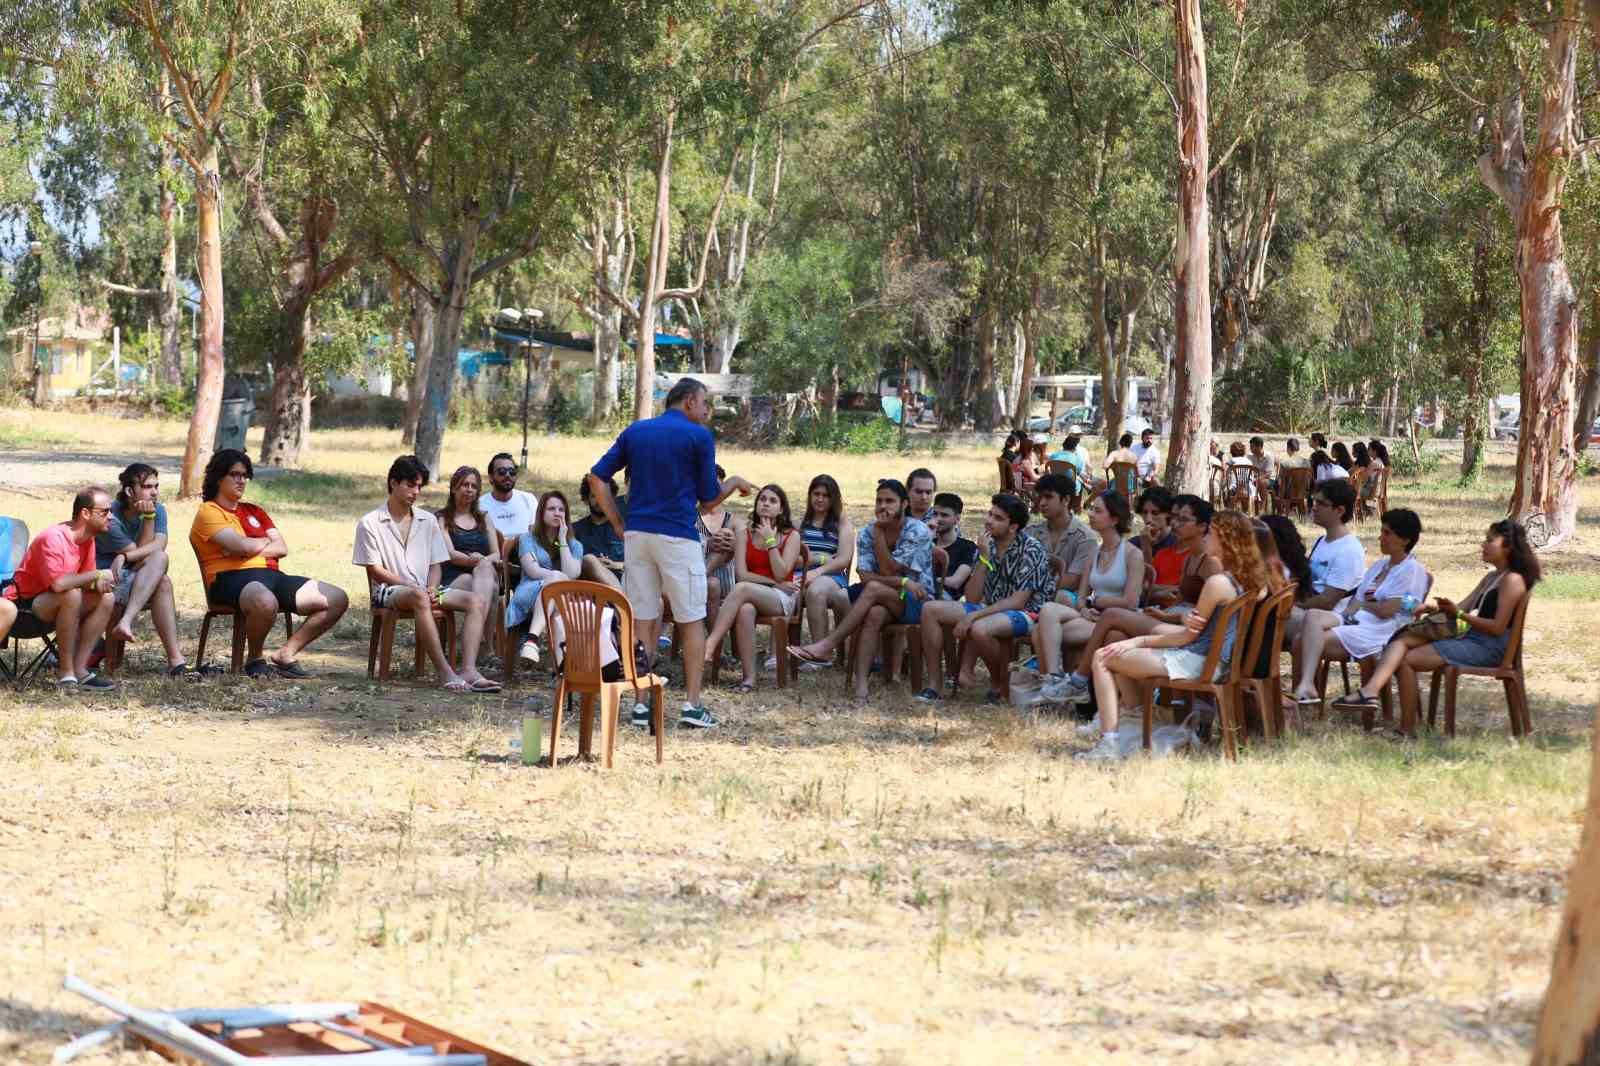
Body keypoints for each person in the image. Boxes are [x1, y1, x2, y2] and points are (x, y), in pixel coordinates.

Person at [587, 377, 755, 730]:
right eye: (705, 403)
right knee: (691, 619)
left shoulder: (636, 431)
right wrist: (735, 481)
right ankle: (692, 706)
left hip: (637, 536)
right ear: (691, 401)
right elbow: (709, 500)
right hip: (677, 537)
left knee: (643, 618)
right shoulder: (698, 437)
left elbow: (597, 478)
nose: (706, 411)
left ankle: (640, 705)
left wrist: (617, 521)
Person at [1081, 510, 1280, 760]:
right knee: (1120, 655)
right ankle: (1137, 720)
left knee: (1103, 656)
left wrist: (1138, 640)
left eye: (1211, 534)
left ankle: (1108, 743)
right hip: (1220, 661)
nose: (1205, 538)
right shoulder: (1254, 582)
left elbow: (1186, 638)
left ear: (1225, 540)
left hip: (1199, 661)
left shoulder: (1217, 583)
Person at [1335, 519, 1540, 730]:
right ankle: (1378, 699)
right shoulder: (1491, 577)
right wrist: (1429, 608)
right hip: (1473, 639)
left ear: (1508, 546)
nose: (1483, 545)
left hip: (1490, 647)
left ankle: (1391, 713)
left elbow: (1497, 627)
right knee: (1403, 648)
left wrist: (1458, 614)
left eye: (1490, 540)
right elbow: (1463, 607)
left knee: (1404, 655)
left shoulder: (1512, 580)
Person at [1036, 494, 1222, 707]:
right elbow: (1179, 599)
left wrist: (1096, 602)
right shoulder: (1191, 559)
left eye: (1183, 520)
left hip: (1190, 631)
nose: (1176, 524)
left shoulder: (1209, 563)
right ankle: (1111, 706)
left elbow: (1208, 612)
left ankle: (1080, 682)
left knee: (1112, 617)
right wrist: (1165, 614)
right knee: (1057, 614)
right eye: (1176, 518)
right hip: (1172, 620)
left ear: (1202, 527)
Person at [191, 449, 348, 677]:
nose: (241, 480)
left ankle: (285, 654)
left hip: (272, 576)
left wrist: (246, 546)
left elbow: (281, 548)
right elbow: (240, 547)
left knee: (336, 598)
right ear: (218, 477)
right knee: (264, 600)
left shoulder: (255, 511)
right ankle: (255, 658)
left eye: (245, 475)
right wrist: (255, 545)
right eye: (234, 474)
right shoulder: (209, 511)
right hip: (228, 578)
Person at [354, 455, 495, 692]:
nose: (416, 491)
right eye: (410, 485)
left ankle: (469, 669)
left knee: (476, 600)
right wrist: (410, 585)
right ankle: (444, 672)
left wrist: (431, 586)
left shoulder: (427, 520)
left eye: (419, 486)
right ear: (393, 483)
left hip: (424, 589)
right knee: (419, 597)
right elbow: (374, 569)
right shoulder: (370, 522)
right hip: (387, 591)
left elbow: (435, 564)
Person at [789, 478, 935, 699]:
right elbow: (865, 576)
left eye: (890, 501)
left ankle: (827, 645)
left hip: (919, 600)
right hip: (886, 597)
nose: (883, 506)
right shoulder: (868, 531)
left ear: (904, 504)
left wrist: (880, 539)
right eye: (879, 501)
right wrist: (901, 582)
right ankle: (861, 688)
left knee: (875, 589)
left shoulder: (916, 531)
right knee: (874, 614)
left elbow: (890, 570)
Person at [914, 493, 1054, 701]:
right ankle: (935, 686)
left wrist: (972, 617)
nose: (989, 521)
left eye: (998, 518)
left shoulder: (1030, 549)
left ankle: (1000, 684)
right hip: (991, 607)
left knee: (980, 628)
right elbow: (972, 597)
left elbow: (1018, 601)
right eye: (990, 514)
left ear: (1013, 527)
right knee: (930, 609)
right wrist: (984, 558)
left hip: (1029, 613)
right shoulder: (986, 546)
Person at [1291, 508, 1427, 706]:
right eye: (1382, 532)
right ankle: (1307, 685)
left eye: (1387, 533)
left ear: (1405, 540)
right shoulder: (1379, 566)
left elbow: (1387, 610)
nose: (1381, 538)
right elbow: (1358, 601)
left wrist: (1362, 606)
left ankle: (1307, 688)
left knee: (1301, 641)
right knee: (1312, 616)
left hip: (1381, 629)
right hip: (1357, 620)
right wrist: (1351, 612)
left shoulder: (1412, 571)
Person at [5, 487, 118, 688]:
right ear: (85, 513)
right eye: (105, 512)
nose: (111, 517)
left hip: (57, 607)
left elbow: (84, 581)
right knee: (71, 594)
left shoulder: (87, 539)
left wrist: (97, 583)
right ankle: (66, 673)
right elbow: (59, 584)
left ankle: (81, 669)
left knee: (106, 597)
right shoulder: (53, 538)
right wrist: (97, 574)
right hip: (23, 609)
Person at [1030, 491, 1145, 688]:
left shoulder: (1132, 554)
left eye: (1098, 511)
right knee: (1049, 608)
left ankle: (1056, 686)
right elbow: (1082, 595)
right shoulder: (1095, 551)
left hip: (1116, 621)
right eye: (1091, 509)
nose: (1090, 514)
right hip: (1091, 616)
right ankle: (1054, 677)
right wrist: (1084, 608)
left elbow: (1131, 601)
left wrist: (1096, 602)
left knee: (1039, 632)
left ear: (1114, 519)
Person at [701, 484, 804, 692]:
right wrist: (775, 583)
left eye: (773, 500)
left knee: (742, 590)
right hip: (760, 591)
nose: (766, 503)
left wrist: (770, 541)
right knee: (745, 609)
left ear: (781, 509)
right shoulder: (745, 534)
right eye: (762, 499)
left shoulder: (791, 536)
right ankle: (749, 679)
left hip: (782, 597)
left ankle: (710, 643)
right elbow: (742, 574)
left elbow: (781, 573)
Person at [97, 462, 188, 675]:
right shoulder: (110, 516)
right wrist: (148, 520)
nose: (155, 492)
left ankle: (174, 660)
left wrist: (124, 555)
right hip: (108, 579)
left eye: (156, 486)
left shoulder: (159, 509)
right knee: (162, 579)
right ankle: (175, 660)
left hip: (136, 574)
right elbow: (142, 557)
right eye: (148, 487)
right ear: (130, 491)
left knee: (161, 565)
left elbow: (159, 545)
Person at [504, 490, 585, 666]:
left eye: (561, 510)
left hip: (560, 599)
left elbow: (573, 574)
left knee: (557, 614)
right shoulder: (527, 538)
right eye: (551, 509)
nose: (557, 513)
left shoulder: (575, 545)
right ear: (541, 512)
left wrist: (563, 539)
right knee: (557, 588)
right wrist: (558, 578)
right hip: (529, 592)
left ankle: (560, 669)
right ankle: (534, 639)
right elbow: (533, 571)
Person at [436, 466, 503, 661]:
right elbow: (450, 554)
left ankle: (479, 643)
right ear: (454, 488)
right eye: (464, 485)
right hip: (450, 578)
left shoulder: (484, 518)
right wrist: (473, 560)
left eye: (474, 486)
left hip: (480, 574)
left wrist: (480, 561)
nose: (469, 489)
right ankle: (484, 648)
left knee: (485, 573)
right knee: (491, 587)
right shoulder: (443, 518)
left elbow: (496, 553)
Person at [797, 474, 855, 645]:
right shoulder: (800, 524)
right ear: (810, 496)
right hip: (800, 574)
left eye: (826, 495)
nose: (820, 499)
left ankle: (821, 653)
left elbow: (843, 560)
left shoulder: (842, 524)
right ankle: (778, 653)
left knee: (816, 590)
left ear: (834, 498)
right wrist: (823, 558)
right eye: (816, 494)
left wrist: (816, 570)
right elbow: (794, 559)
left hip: (833, 577)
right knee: (784, 590)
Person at [1029, 473, 1094, 606]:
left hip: (1068, 602)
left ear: (1066, 500)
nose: (1042, 503)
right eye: (1040, 497)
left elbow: (1073, 581)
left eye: (1048, 497)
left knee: (1062, 596)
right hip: (1030, 597)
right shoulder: (1031, 532)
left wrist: (1029, 583)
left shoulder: (1085, 538)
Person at [698, 465, 738, 632]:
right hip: (696, 575)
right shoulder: (689, 518)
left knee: (726, 535)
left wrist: (733, 546)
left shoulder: (733, 520)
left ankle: (699, 578)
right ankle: (714, 651)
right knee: (711, 584)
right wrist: (709, 544)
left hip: (726, 581)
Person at [571, 474, 627, 590]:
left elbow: (642, 562)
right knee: (590, 560)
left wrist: (617, 565)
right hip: (591, 590)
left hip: (625, 582)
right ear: (586, 499)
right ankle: (624, 603)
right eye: (594, 496)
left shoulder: (625, 526)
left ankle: (623, 602)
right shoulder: (575, 530)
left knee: (659, 602)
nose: (600, 500)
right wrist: (594, 565)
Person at [929, 492, 979, 600]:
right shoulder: (927, 543)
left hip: (948, 600)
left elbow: (956, 581)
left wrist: (927, 581)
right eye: (935, 514)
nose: (938, 519)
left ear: (957, 519)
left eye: (944, 515)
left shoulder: (967, 547)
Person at [481, 453, 538, 541]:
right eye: (502, 472)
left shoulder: (529, 500)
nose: (507, 475)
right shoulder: (480, 505)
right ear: (491, 477)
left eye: (512, 472)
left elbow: (535, 537)